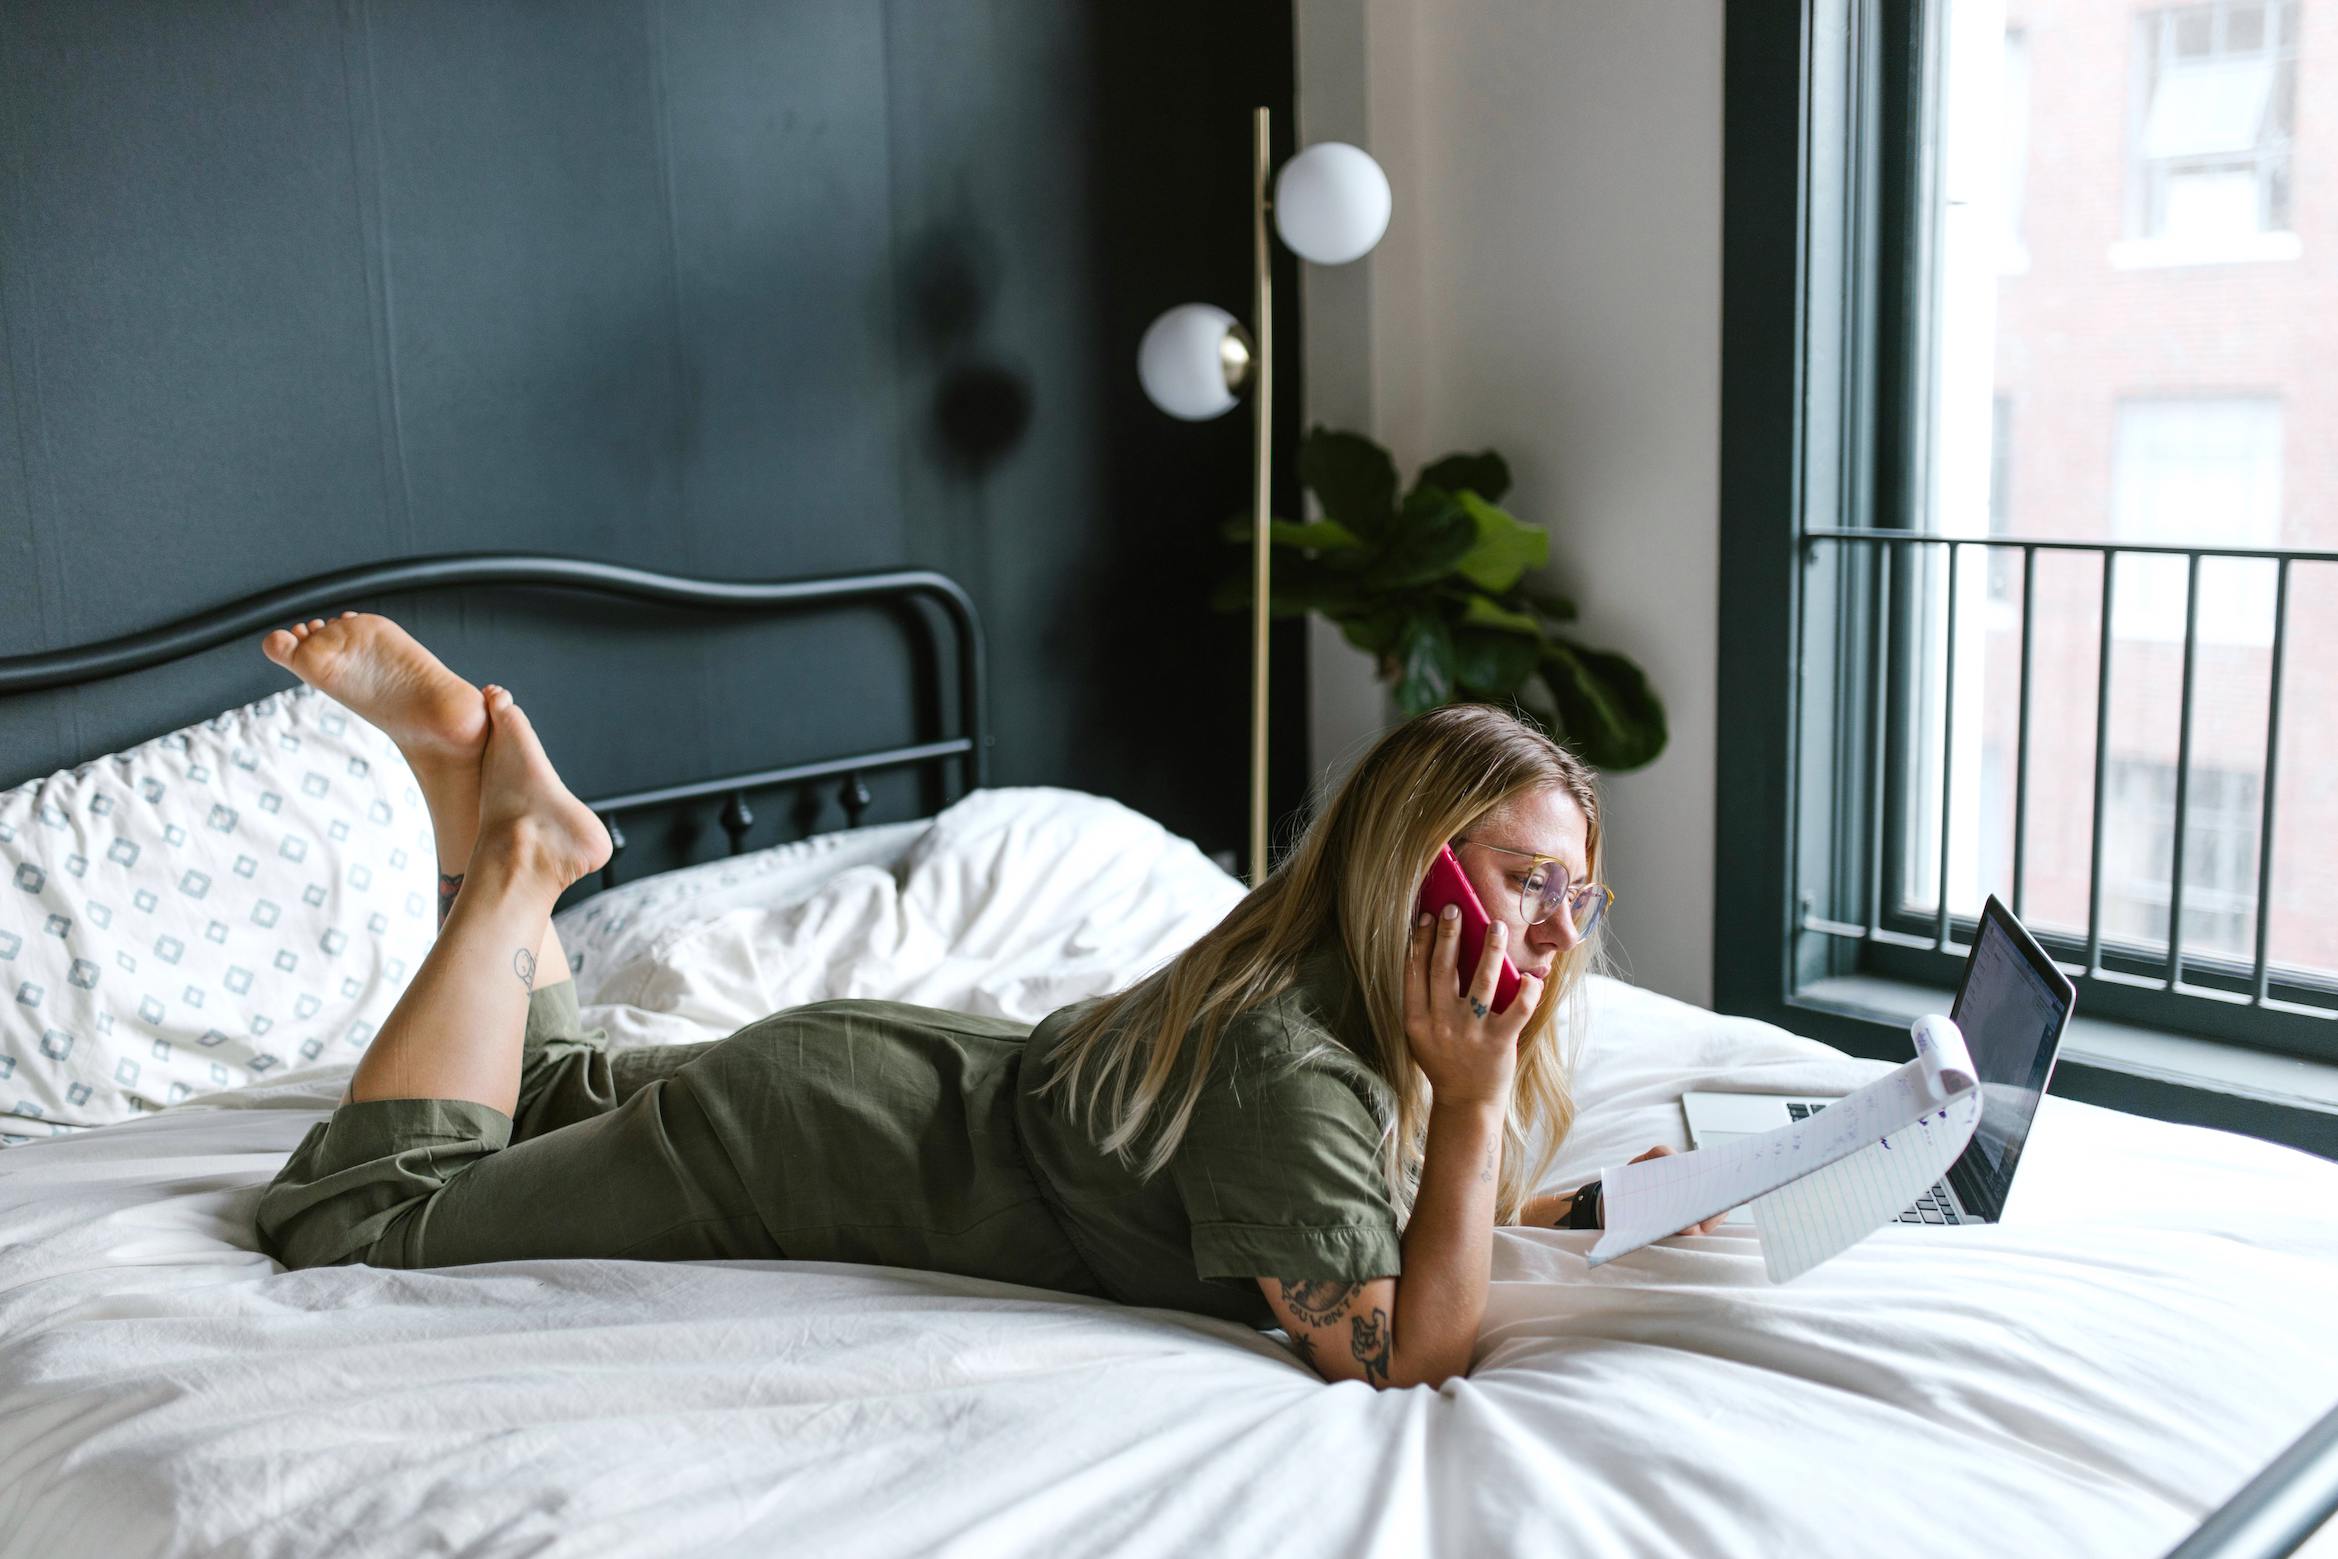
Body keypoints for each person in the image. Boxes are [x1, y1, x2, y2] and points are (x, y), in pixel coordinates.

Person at [254, 613, 1724, 1391]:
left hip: (859, 1089)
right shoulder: (1293, 1054)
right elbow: (1396, 1351)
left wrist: (1580, 1209)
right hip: (804, 1146)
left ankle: (469, 786)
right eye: (1523, 883)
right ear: (1417, 872)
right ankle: (518, 863)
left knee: (541, 1106)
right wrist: (1475, 1108)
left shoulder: (1330, 1001)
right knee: (364, 1223)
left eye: (1575, 898)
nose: (1553, 934)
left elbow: (1375, 1203)